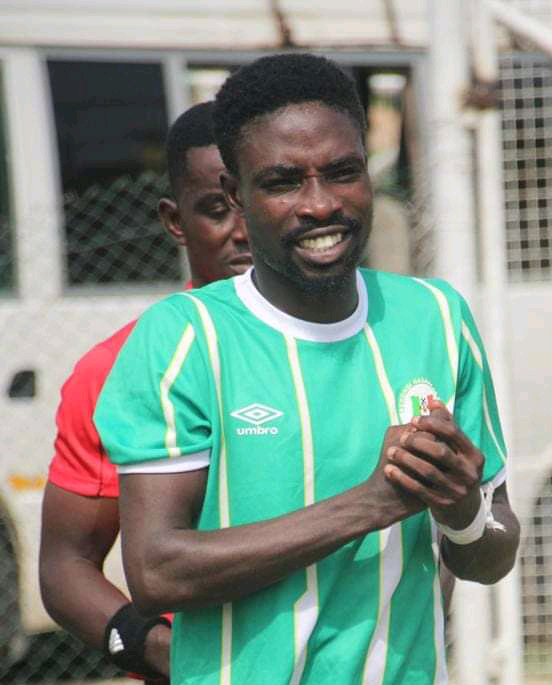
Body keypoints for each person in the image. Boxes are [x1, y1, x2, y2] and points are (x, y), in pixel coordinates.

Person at [94, 53, 521, 685]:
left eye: (343, 172)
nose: (320, 205)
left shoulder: (437, 318)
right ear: (237, 196)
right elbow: (157, 572)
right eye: (283, 182)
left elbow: (492, 553)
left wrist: (461, 511)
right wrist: (370, 505)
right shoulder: (184, 337)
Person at [39, 101, 250, 681]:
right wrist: (170, 656)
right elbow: (66, 564)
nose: (242, 231)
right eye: (216, 209)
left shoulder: (366, 344)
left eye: (257, 199)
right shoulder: (117, 369)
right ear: (174, 221)